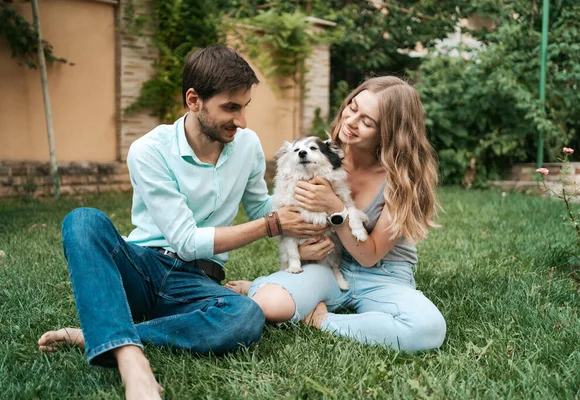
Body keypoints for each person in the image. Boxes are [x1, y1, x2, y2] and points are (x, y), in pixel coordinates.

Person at [37, 45, 328, 400]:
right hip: (142, 269)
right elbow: (189, 240)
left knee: (245, 316)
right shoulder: (150, 150)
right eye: (230, 108)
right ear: (194, 100)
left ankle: (105, 333)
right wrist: (272, 224)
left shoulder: (248, 145)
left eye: (244, 107)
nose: (242, 121)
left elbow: (260, 207)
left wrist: (310, 204)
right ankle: (132, 361)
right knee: (82, 221)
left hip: (197, 282)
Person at [226, 76, 447, 352]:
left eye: (367, 122)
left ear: (389, 133)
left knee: (428, 329)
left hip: (383, 275)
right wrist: (304, 251)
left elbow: (369, 255)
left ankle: (320, 319)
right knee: (268, 305)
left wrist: (335, 207)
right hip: (328, 267)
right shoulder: (317, 155)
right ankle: (262, 286)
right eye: (352, 107)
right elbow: (291, 216)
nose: (351, 121)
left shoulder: (404, 179)